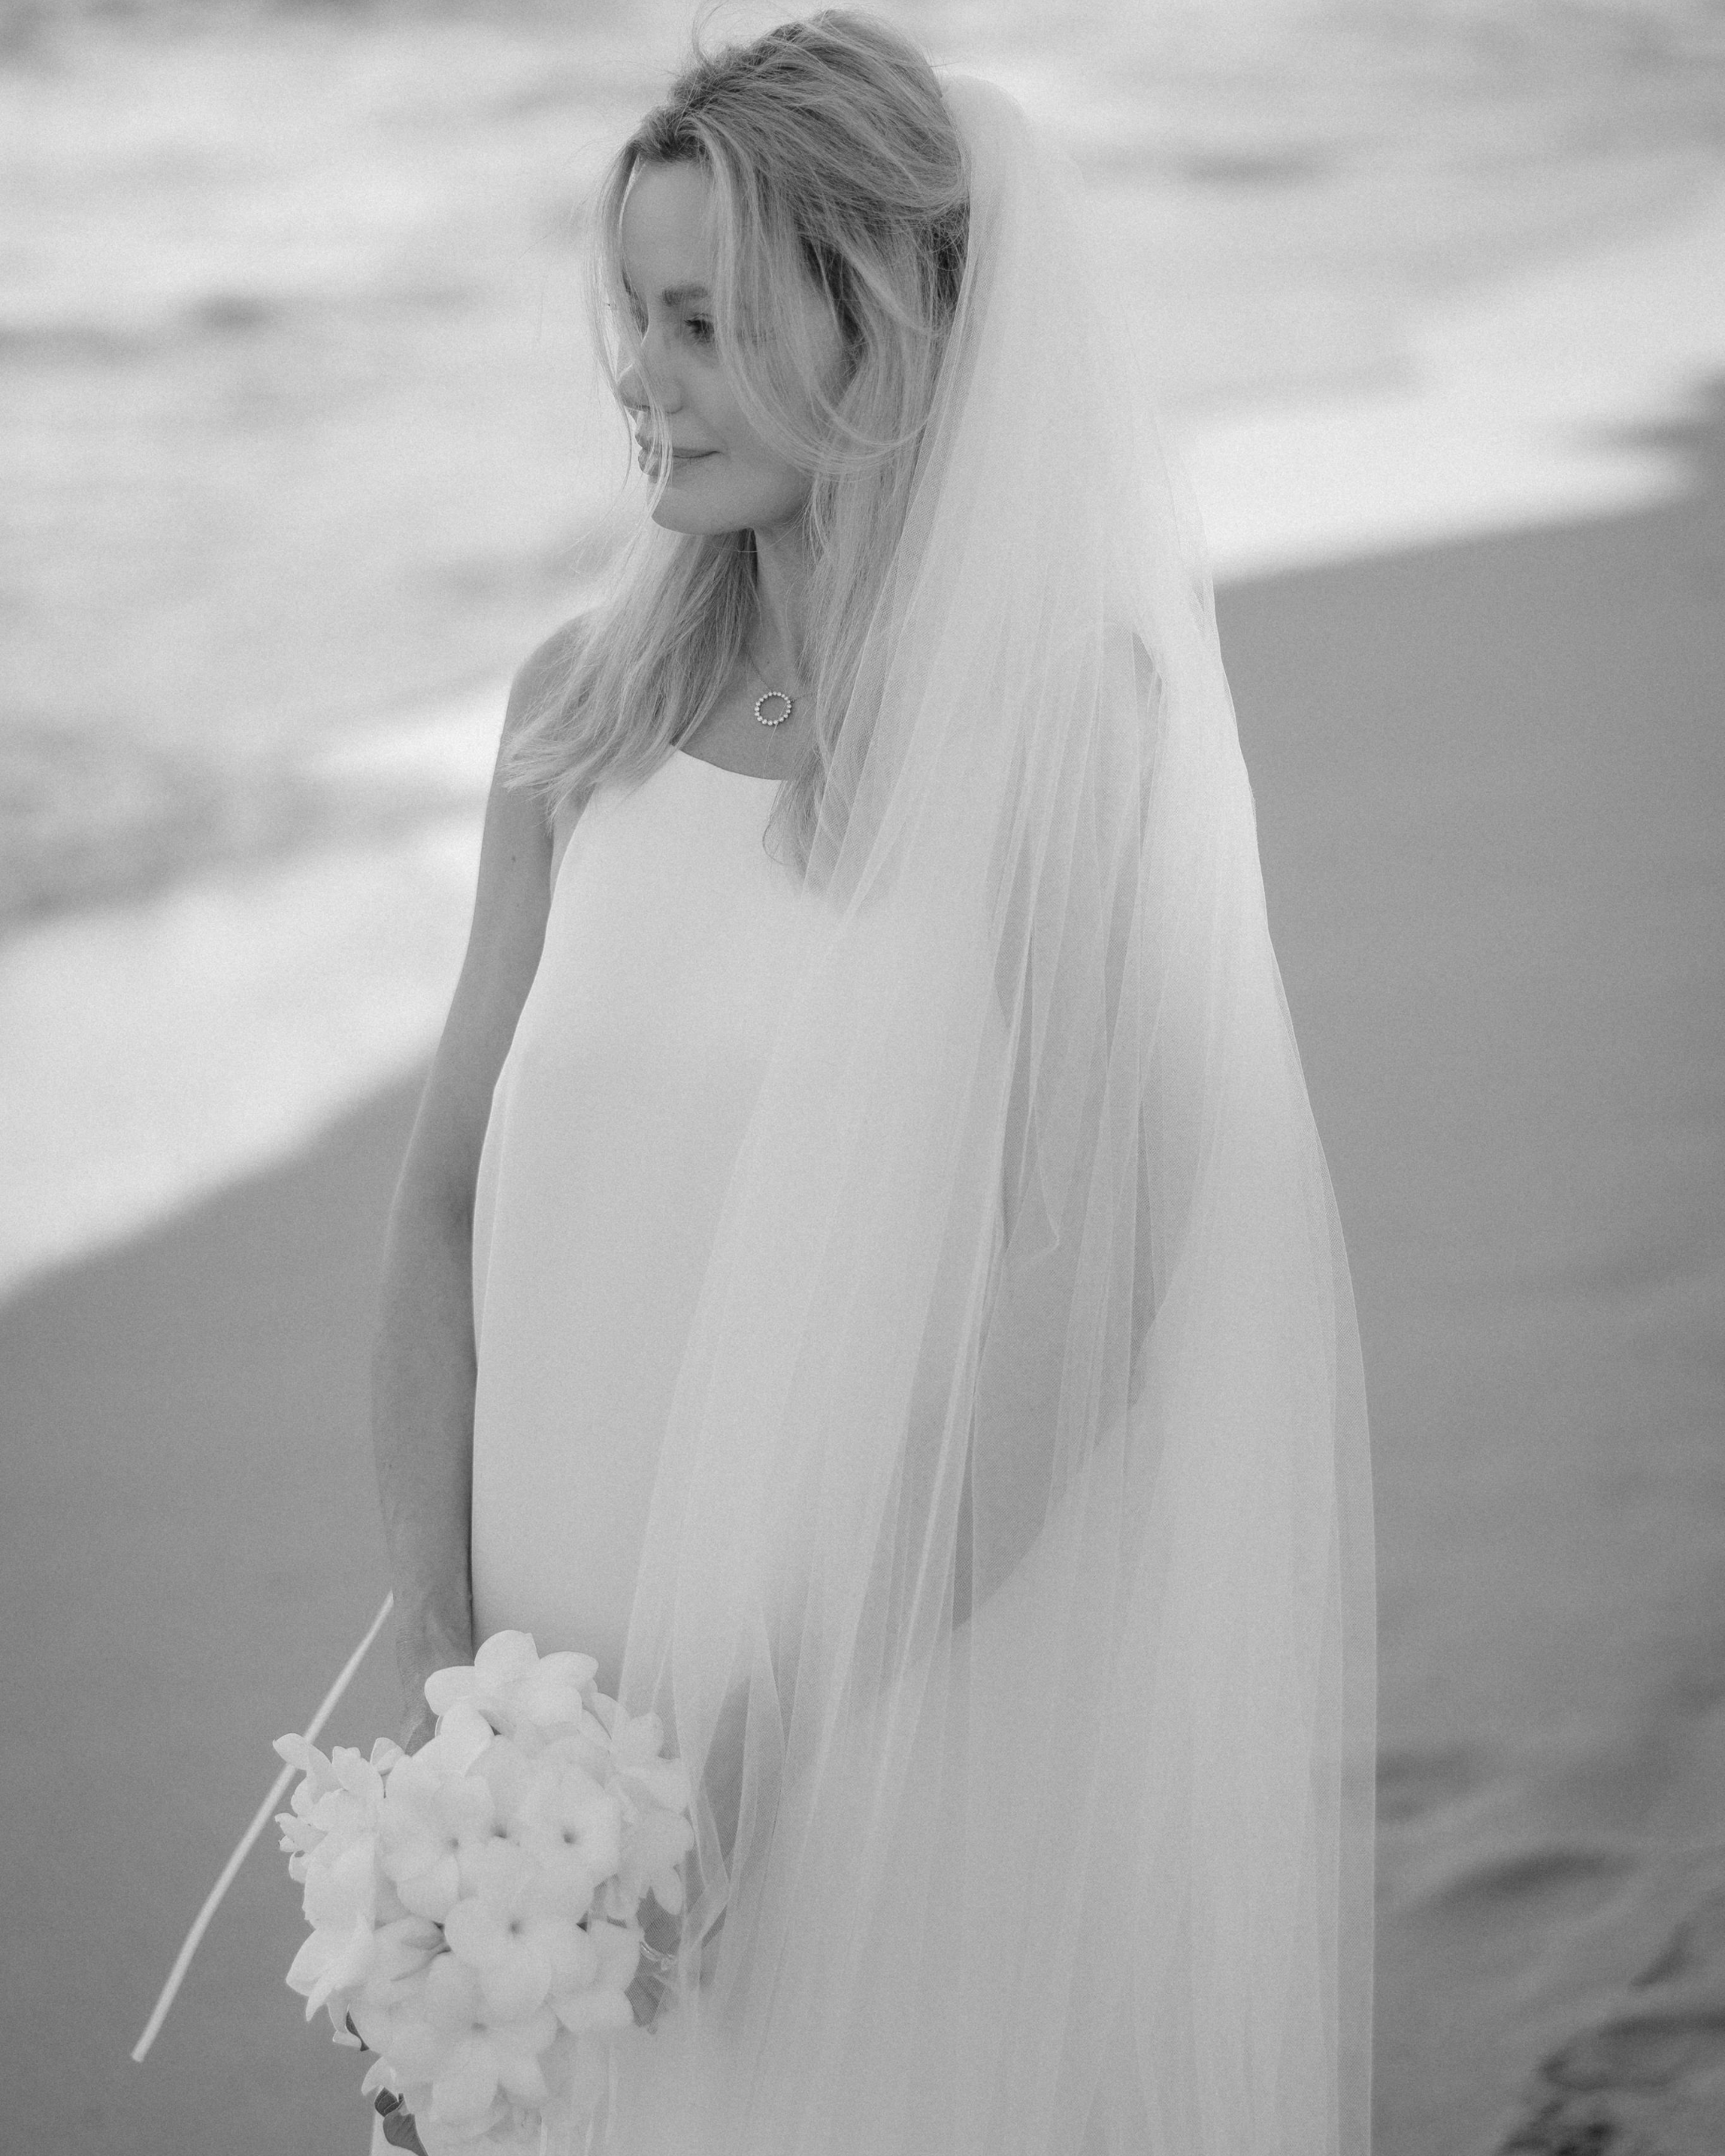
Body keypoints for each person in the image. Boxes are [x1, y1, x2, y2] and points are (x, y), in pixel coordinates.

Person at [369, 11, 1377, 2154]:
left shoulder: (1053, 736)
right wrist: (467, 1702)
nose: (641, 375)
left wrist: (796, 1727)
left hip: (890, 1680)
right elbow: (443, 1209)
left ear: (887, 332)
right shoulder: (577, 717)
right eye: (632, 316)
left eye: (707, 321)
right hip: (556, 1670)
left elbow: (1086, 1273)